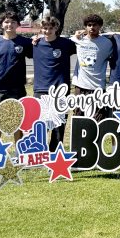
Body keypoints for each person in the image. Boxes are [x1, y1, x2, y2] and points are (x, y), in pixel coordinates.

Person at [0, 11, 34, 144]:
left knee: (17, 120)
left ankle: (19, 150)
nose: (9, 24)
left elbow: (41, 54)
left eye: (12, 22)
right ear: (1, 25)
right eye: (6, 22)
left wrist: (37, 40)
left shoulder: (25, 42)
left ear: (18, 24)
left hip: (16, 89)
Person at [32, 16, 76, 151]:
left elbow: (83, 45)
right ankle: (39, 151)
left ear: (56, 28)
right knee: (41, 124)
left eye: (51, 28)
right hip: (41, 89)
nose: (48, 31)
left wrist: (78, 35)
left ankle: (55, 152)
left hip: (60, 90)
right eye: (45, 28)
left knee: (58, 124)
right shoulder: (35, 44)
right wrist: (34, 38)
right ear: (41, 29)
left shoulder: (67, 43)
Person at [72, 13, 117, 121]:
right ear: (85, 27)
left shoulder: (107, 43)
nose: (92, 27)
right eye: (89, 25)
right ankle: (80, 139)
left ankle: (96, 138)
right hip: (81, 86)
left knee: (97, 119)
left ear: (100, 26)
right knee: (79, 118)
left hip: (98, 87)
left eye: (95, 25)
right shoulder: (78, 40)